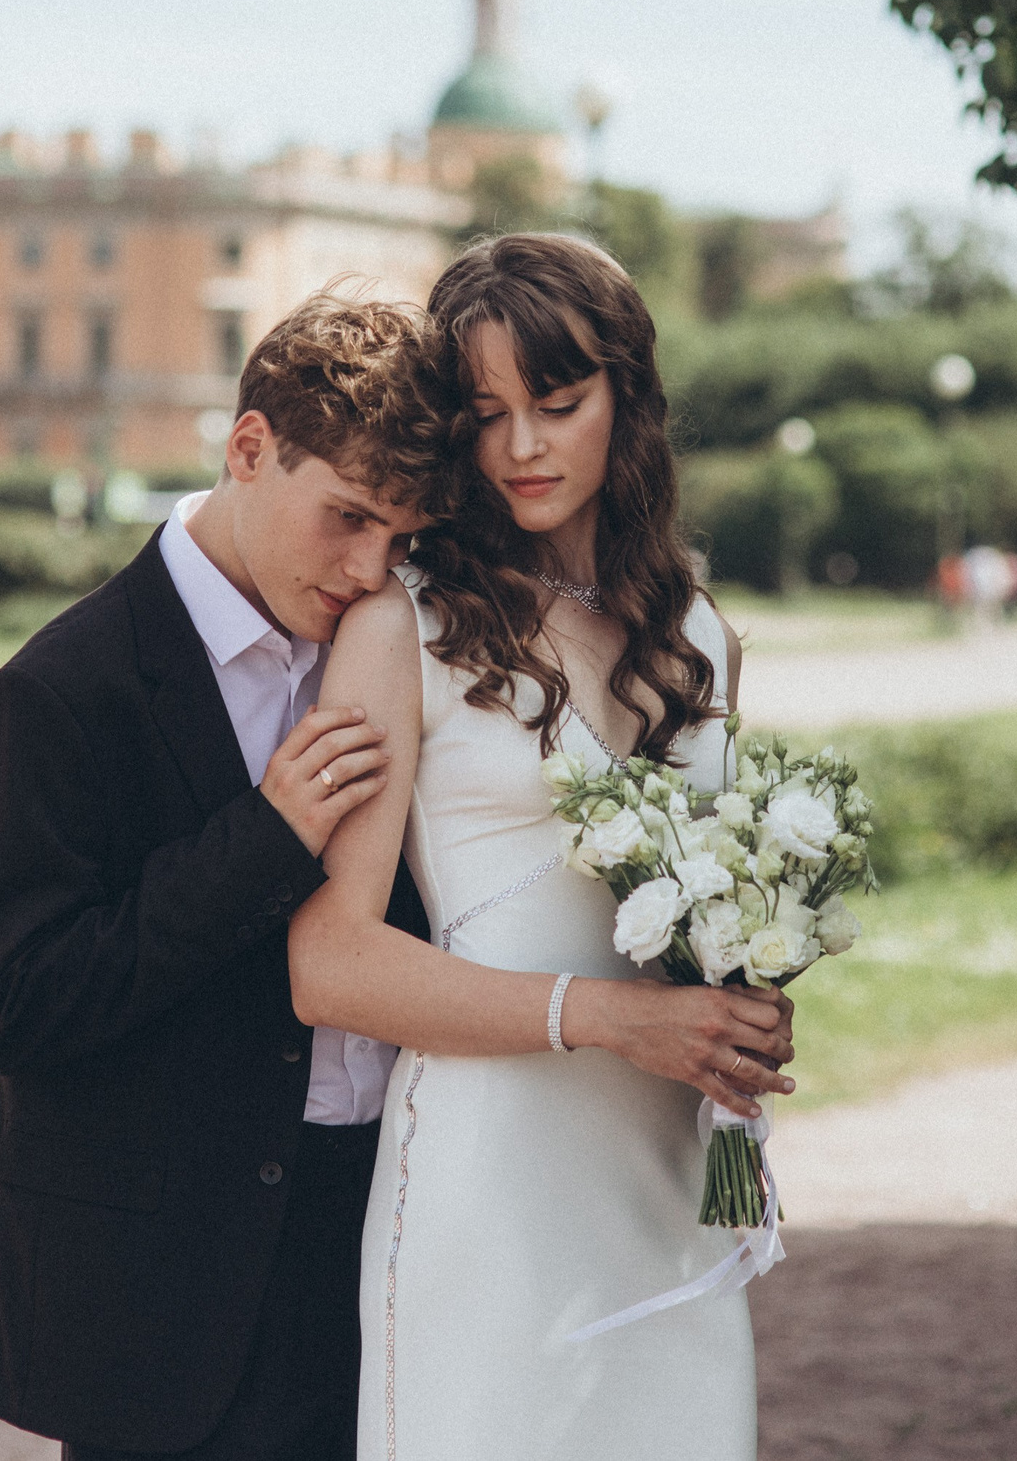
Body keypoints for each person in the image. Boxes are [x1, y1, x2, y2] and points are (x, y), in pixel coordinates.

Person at [289, 234, 792, 1460]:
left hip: (670, 1171)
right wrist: (613, 1017)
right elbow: (329, 963)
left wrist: (748, 995)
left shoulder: (696, 636)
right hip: (489, 1176)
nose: (521, 445)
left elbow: (708, 911)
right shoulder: (401, 626)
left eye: (558, 404)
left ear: (628, 397)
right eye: (485, 413)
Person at [0, 292, 447, 1460]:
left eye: (404, 538)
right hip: (161, 1289)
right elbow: (14, 1005)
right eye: (349, 517)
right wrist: (262, 837)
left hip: (381, 1234)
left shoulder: (406, 649)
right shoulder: (59, 689)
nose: (371, 569)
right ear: (249, 447)